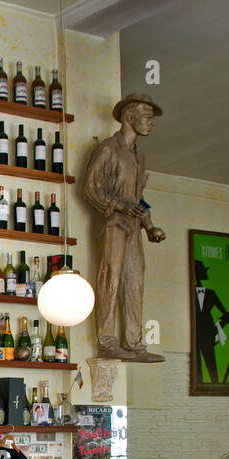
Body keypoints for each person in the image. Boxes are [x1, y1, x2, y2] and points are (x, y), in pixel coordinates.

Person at [82, 92, 166, 362]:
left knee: (135, 280)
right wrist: (119, 206)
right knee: (111, 278)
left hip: (133, 226)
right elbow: (90, 189)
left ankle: (134, 343)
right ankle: (107, 341)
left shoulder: (140, 157)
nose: (150, 123)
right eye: (146, 117)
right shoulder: (109, 149)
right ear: (130, 117)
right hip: (113, 224)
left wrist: (150, 225)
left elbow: (138, 197)